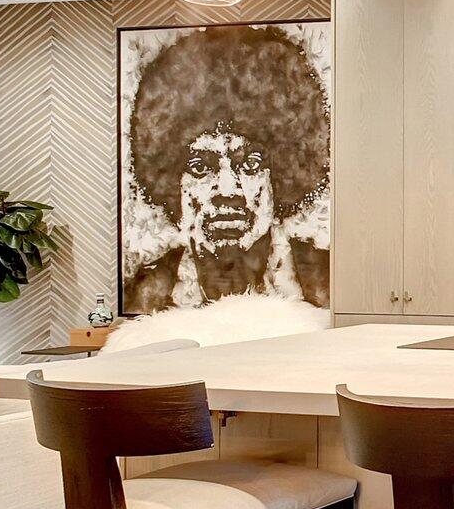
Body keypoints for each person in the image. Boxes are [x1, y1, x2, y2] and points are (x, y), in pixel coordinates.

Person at [123, 25, 330, 311]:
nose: (227, 190)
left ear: (282, 182)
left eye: (250, 164)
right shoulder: (144, 293)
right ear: (172, 187)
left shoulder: (327, 283)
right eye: (200, 168)